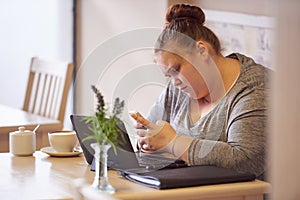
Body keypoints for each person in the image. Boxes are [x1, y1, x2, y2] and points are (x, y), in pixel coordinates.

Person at [130, 4, 271, 180]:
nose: (174, 82)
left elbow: (245, 161)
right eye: (168, 76)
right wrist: (147, 140)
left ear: (202, 51)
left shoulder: (256, 86)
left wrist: (173, 143)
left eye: (176, 69)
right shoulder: (177, 88)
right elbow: (154, 134)